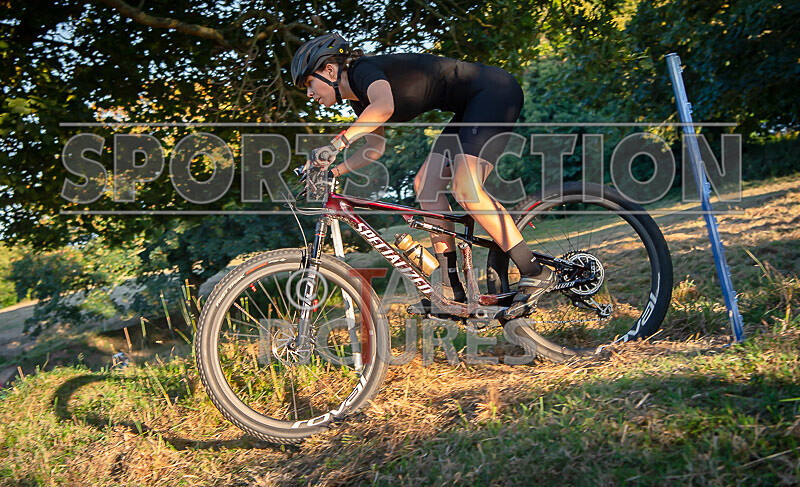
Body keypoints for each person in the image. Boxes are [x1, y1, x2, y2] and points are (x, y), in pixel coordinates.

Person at [291, 33, 554, 307]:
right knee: (425, 186)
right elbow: (374, 148)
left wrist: (335, 144)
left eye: (310, 83)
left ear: (330, 70)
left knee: (465, 188)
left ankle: (534, 270)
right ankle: (452, 288)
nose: (310, 94)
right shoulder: (358, 101)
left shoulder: (363, 71)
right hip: (469, 108)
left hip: (493, 92)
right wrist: (334, 171)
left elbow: (384, 107)